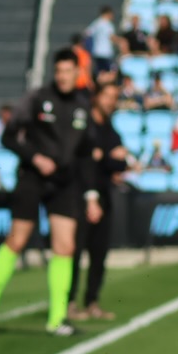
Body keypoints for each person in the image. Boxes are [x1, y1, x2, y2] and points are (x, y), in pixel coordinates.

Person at [0, 48, 97, 336]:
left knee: (65, 247)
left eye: (68, 71)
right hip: (32, 178)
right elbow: (8, 136)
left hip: (65, 183)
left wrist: (91, 195)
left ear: (77, 73)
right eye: (59, 71)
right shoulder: (37, 99)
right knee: (16, 240)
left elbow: (86, 155)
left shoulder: (83, 107)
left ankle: (57, 320)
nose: (63, 76)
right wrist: (35, 157)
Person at [69, 79, 129, 321]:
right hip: (80, 196)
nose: (111, 102)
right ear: (97, 97)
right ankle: (70, 303)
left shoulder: (110, 128)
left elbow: (121, 162)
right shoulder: (86, 125)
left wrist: (103, 157)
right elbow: (85, 161)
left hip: (104, 197)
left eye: (115, 97)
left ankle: (92, 301)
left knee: (99, 254)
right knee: (74, 252)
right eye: (107, 96)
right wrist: (108, 158)